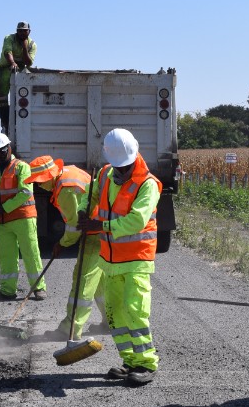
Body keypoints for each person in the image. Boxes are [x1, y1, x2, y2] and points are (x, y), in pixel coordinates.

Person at [78, 128, 162, 386]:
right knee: (115, 313)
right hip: (110, 260)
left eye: (125, 167)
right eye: (118, 167)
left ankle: (146, 363)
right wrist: (83, 211)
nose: (122, 172)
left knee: (135, 311)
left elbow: (136, 220)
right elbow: (89, 196)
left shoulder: (148, 184)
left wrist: (100, 227)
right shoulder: (105, 174)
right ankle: (130, 360)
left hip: (137, 259)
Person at [24, 155, 106, 340]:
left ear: (48, 177)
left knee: (82, 280)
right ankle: (110, 322)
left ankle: (70, 329)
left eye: (39, 181)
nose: (38, 186)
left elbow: (74, 226)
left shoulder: (65, 190)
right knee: (99, 283)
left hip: (94, 234)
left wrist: (62, 244)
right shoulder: (68, 174)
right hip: (99, 231)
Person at [0, 132, 46, 301]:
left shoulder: (21, 167)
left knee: (30, 253)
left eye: (2, 151)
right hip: (3, 222)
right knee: (6, 257)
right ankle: (7, 290)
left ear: (9, 149)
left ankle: (38, 287)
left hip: (23, 218)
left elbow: (26, 192)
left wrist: (3, 207)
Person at [0, 21, 36, 133]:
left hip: (22, 69)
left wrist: (24, 48)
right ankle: (5, 119)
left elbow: (28, 62)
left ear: (29, 32)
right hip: (6, 66)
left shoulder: (32, 44)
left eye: (24, 31)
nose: (22, 33)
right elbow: (7, 52)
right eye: (20, 31)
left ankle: (17, 118)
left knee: (20, 94)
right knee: (1, 88)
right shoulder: (9, 38)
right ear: (16, 31)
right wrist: (12, 62)